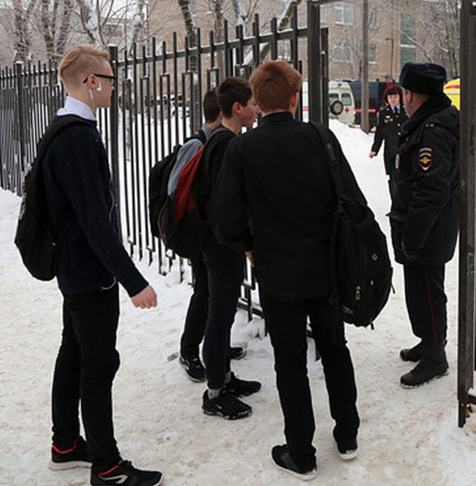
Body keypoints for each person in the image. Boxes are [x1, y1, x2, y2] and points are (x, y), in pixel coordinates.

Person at [211, 60, 360, 480]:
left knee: (290, 362)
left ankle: (301, 452)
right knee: (334, 348)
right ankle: (347, 435)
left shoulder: (242, 149)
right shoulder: (320, 137)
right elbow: (348, 197)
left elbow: (224, 218)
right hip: (326, 268)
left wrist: (248, 246)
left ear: (257, 101)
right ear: (295, 98)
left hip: (277, 273)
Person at [42, 45, 163, 486]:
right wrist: (134, 281)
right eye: (110, 79)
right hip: (89, 274)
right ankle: (108, 468)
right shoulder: (77, 136)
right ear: (92, 82)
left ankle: (65, 444)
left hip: (75, 269)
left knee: (73, 354)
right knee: (96, 364)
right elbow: (95, 221)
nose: (114, 86)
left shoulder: (62, 129)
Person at [194, 77, 261, 420]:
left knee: (222, 312)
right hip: (221, 244)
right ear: (238, 108)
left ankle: (225, 377)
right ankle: (215, 392)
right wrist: (244, 242)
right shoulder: (224, 144)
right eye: (252, 104)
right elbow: (224, 204)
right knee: (219, 317)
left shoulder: (225, 139)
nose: (257, 110)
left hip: (223, 241)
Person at [391, 63, 461, 388]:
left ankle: (436, 355)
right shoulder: (433, 121)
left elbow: (430, 188)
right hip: (426, 226)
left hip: (427, 229)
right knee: (420, 291)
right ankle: (427, 340)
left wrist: (414, 235)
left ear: (410, 94)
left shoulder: (431, 129)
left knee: (428, 293)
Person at [173, 88, 246, 383]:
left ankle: (218, 348)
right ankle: (189, 349)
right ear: (222, 113)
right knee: (204, 291)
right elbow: (177, 189)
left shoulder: (219, 141)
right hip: (201, 233)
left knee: (217, 296)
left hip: (212, 233)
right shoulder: (198, 144)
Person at [369, 83, 407, 181]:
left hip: (405, 151)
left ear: (400, 97)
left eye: (395, 96)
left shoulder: (406, 111)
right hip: (391, 151)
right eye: (390, 97)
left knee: (404, 178)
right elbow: (380, 132)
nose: (393, 99)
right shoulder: (384, 113)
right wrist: (375, 149)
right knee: (393, 179)